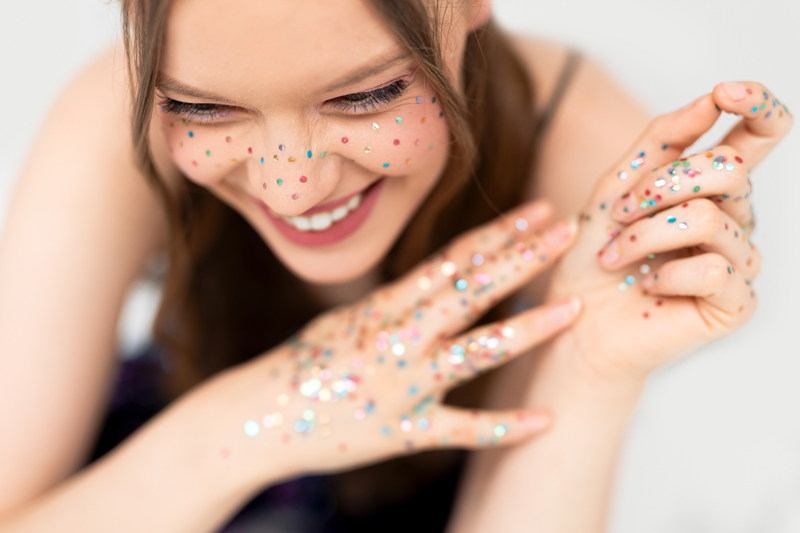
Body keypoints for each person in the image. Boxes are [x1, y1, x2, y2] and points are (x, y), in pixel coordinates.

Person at [0, 0, 791, 531]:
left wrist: (589, 372)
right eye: (202, 109)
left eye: (364, 96)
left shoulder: (589, 160)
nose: (291, 185)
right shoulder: (115, 123)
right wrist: (273, 414)